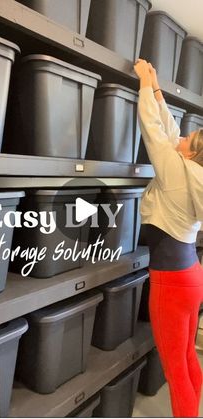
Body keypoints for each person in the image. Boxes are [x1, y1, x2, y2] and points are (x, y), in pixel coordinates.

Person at [134, 58, 203, 418]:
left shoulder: (176, 171)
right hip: (191, 274)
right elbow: (169, 130)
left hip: (172, 284)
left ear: (192, 153)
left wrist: (145, 84)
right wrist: (159, 91)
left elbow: (154, 131)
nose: (182, 136)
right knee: (187, 356)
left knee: (175, 372)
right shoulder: (193, 173)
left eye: (189, 139)